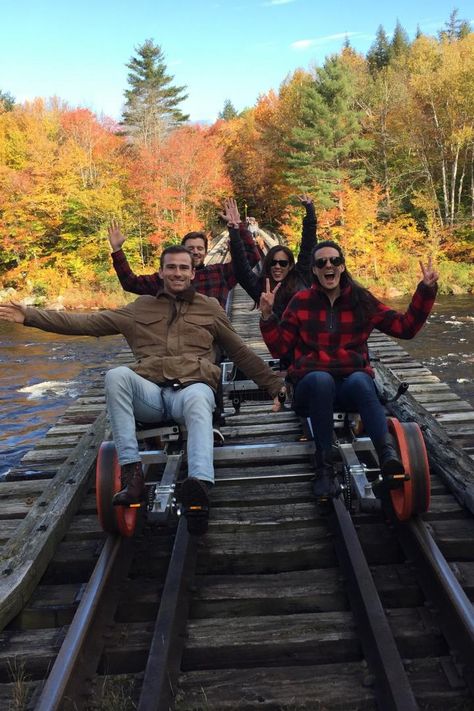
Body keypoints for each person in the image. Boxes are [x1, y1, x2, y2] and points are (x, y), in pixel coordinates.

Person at [0, 246, 285, 534]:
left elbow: (240, 352)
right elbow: (85, 323)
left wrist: (274, 386)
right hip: (150, 394)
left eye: (183, 268)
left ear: (192, 272)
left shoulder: (209, 307)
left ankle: (199, 487)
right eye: (171, 267)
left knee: (200, 396)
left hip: (190, 390)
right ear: (160, 272)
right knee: (116, 375)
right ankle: (132, 474)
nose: (177, 273)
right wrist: (31, 316)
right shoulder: (139, 309)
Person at [259, 240, 439, 500]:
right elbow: (279, 348)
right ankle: (324, 466)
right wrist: (267, 316)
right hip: (311, 388)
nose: (328, 266)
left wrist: (425, 290)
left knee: (360, 380)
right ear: (314, 270)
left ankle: (388, 456)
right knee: (321, 380)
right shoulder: (301, 302)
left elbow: (405, 328)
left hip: (347, 386)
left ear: (342, 266)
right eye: (322, 262)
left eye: (334, 261)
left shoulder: (360, 299)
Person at [108, 217, 261, 310]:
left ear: (206, 252)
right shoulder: (171, 278)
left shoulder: (219, 273)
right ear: (183, 251)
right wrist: (117, 249)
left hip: (212, 341)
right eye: (190, 248)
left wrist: (239, 227)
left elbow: (252, 258)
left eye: (200, 248)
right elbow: (130, 283)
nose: (195, 252)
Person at [224, 195, 317, 319]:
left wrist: (310, 213)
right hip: (277, 335)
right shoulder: (261, 287)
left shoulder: (301, 277)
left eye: (283, 263)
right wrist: (234, 231)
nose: (277, 266)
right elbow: (242, 269)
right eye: (273, 263)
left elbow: (308, 247)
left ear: (290, 266)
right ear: (268, 264)